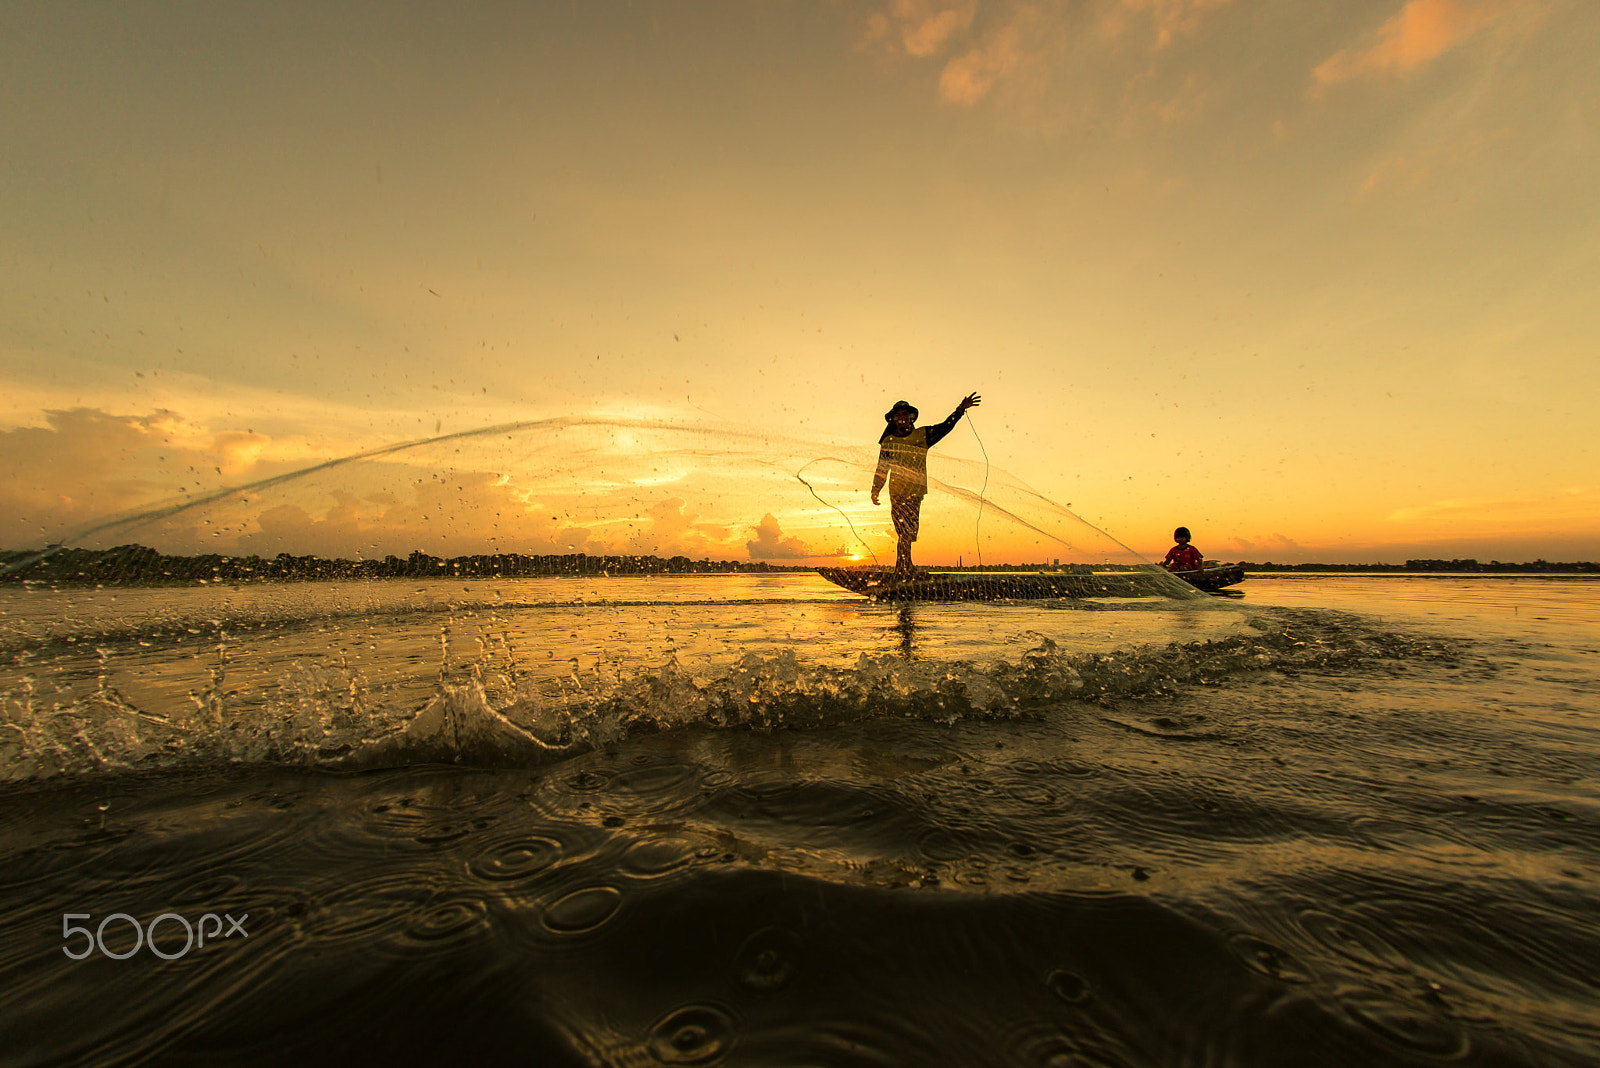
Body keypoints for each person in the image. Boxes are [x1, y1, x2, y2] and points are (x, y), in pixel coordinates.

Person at [870, 392, 981, 580]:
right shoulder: (889, 442)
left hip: (916, 493)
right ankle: (903, 568)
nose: (903, 418)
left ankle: (905, 567)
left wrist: (960, 410)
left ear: (912, 417)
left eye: (906, 415)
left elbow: (945, 427)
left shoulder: (923, 435)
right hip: (897, 493)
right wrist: (875, 489)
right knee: (903, 531)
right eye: (899, 415)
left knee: (909, 532)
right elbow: (882, 468)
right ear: (894, 419)